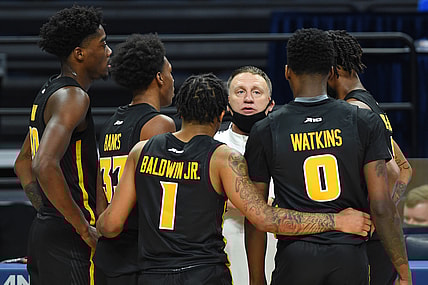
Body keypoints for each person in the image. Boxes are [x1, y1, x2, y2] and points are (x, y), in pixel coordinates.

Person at [96, 73, 372, 285]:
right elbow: (264, 218)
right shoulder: (222, 157)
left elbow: (109, 225)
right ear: (222, 113)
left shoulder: (141, 151)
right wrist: (336, 220)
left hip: (152, 274)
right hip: (203, 273)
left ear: (179, 111)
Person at [244, 28, 411, 285]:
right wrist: (403, 272)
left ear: (287, 71)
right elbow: (382, 205)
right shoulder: (363, 120)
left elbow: (254, 216)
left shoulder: (265, 128)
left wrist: (256, 279)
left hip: (296, 257)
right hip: (349, 255)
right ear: (331, 71)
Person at [13, 5, 111, 285]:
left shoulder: (49, 91)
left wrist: (47, 210)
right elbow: (42, 164)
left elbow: (23, 163)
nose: (109, 51)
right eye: (102, 44)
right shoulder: (73, 97)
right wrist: (82, 228)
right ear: (79, 53)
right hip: (70, 238)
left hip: (47, 230)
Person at [327, 29, 413, 285]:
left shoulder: (352, 111)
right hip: (379, 232)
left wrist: (375, 213)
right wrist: (385, 208)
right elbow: (405, 167)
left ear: (333, 70)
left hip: (364, 239)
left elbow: (394, 171)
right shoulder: (371, 106)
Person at [94, 34, 176, 284]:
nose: (173, 80)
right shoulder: (159, 124)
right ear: (160, 78)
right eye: (170, 72)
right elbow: (162, 201)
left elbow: (101, 200)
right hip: (140, 258)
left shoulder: (110, 123)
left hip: (108, 253)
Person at [214, 65, 276, 284]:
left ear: (271, 104)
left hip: (277, 244)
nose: (248, 99)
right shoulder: (213, 145)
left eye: (256, 92)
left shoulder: (286, 143)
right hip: (225, 245)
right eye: (240, 92)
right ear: (228, 103)